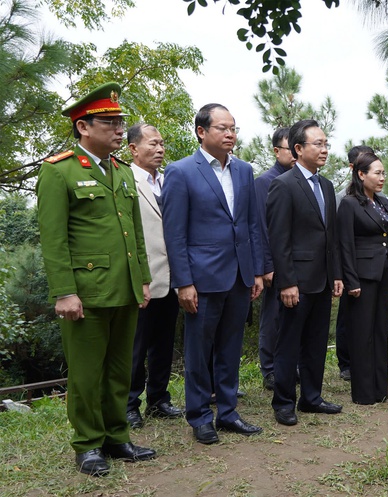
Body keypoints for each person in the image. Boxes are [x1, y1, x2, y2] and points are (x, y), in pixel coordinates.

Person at [37, 82, 156, 476]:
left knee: (120, 368)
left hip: (124, 288)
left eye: (121, 122)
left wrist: (142, 279)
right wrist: (64, 292)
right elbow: (53, 239)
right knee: (87, 373)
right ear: (83, 127)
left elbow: (135, 232)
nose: (120, 129)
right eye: (109, 122)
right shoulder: (60, 171)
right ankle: (87, 445)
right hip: (85, 293)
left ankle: (116, 436)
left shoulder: (121, 171)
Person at [162, 103, 265, 444]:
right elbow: (174, 233)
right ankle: (200, 416)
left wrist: (257, 272)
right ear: (201, 132)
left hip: (239, 275)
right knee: (199, 350)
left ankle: (229, 413)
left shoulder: (244, 170)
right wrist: (184, 282)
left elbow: (251, 225)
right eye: (222, 127)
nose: (230, 133)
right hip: (201, 279)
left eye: (233, 127)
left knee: (230, 347)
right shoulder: (181, 171)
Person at [266, 119, 344, 426]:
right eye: (318, 144)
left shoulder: (326, 185)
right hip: (296, 282)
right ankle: (284, 401)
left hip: (322, 280)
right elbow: (279, 239)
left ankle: (312, 397)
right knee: (288, 343)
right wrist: (286, 282)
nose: (324, 149)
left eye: (326, 144)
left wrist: (336, 274)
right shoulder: (283, 185)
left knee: (316, 342)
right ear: (298, 149)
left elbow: (331, 236)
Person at [125, 123, 183, 429]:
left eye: (162, 144)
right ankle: (129, 404)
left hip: (173, 277)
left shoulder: (170, 180)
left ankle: (159, 400)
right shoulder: (124, 179)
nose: (159, 149)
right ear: (133, 148)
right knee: (136, 344)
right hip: (143, 278)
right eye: (152, 144)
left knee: (163, 343)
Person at [337, 152, 388, 404]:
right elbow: (345, 245)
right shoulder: (350, 203)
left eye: (383, 173)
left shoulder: (384, 202)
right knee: (362, 334)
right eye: (377, 173)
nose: (382, 177)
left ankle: (379, 388)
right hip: (362, 276)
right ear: (361, 174)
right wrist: (351, 281)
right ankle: (363, 392)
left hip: (383, 272)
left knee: (380, 330)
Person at [254, 127, 295, 391]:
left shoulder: (303, 181)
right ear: (276, 150)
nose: (295, 152)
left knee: (293, 318)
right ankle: (268, 368)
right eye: (290, 147)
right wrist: (267, 265)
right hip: (275, 264)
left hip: (298, 261)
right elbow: (260, 227)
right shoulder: (265, 181)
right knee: (273, 317)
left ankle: (290, 365)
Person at [334, 144, 375, 382]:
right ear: (354, 168)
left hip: (372, 267)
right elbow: (340, 240)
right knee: (347, 317)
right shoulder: (342, 198)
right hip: (351, 267)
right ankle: (346, 362)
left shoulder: (379, 198)